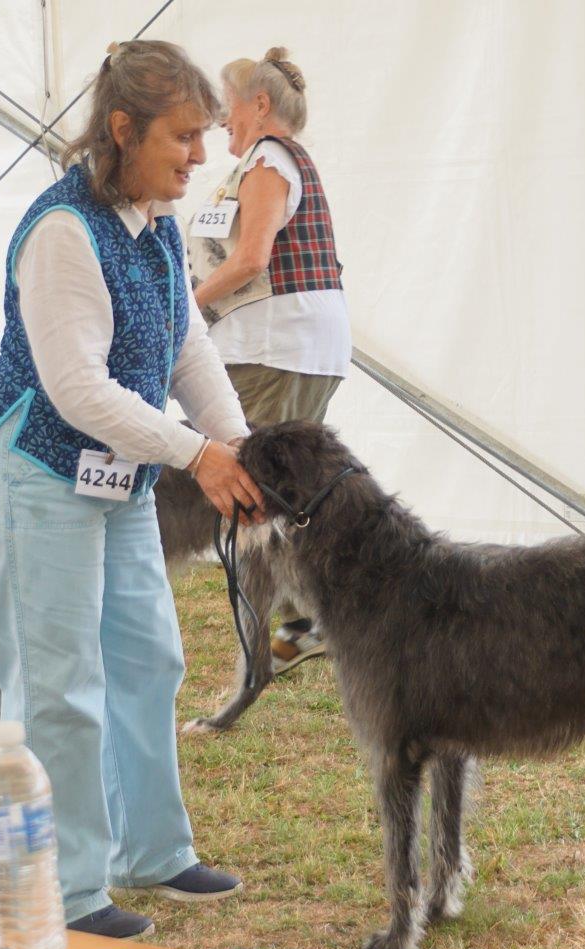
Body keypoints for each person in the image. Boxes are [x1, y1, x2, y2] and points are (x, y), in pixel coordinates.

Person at [0, 41, 265, 940]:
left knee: (149, 656)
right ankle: (71, 887)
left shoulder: (155, 220)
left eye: (205, 135)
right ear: (122, 130)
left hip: (114, 472)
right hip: (29, 472)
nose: (200, 157)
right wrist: (195, 455)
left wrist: (234, 443)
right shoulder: (61, 233)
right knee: (56, 683)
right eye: (183, 137)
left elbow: (185, 347)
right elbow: (77, 390)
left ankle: (153, 850)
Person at [189, 47, 351, 674]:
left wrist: (187, 306)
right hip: (292, 346)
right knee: (283, 495)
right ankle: (298, 631)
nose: (220, 120)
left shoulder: (267, 159)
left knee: (253, 493)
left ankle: (277, 642)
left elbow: (251, 258)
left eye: (227, 106)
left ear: (259, 105)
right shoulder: (272, 160)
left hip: (275, 347)